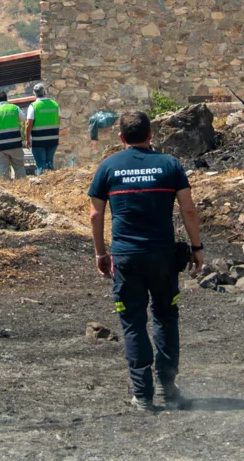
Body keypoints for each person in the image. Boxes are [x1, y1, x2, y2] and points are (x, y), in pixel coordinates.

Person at [88, 111, 203, 412]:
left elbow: (96, 214)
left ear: (121, 138)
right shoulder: (170, 165)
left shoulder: (108, 167)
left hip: (126, 258)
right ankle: (167, 388)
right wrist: (196, 247)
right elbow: (189, 210)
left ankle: (142, 395)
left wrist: (101, 253)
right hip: (163, 256)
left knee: (133, 323)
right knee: (165, 316)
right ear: (151, 135)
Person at [0, 90, 26, 180]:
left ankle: (6, 190)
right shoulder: (14, 108)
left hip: (0, 146)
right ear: (7, 99)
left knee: (3, 169)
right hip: (15, 144)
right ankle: (23, 186)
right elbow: (23, 119)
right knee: (19, 167)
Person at [25, 82, 59, 174]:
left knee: (41, 165)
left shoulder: (33, 106)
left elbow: (28, 124)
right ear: (44, 92)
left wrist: (27, 139)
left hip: (38, 141)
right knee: (49, 163)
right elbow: (58, 119)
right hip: (53, 140)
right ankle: (51, 183)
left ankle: (43, 185)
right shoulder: (55, 104)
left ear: (34, 94)